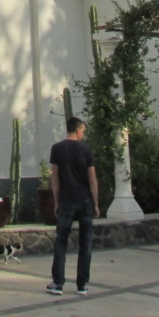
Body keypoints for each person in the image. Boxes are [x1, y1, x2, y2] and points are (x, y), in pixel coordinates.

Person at [46, 116, 99, 297]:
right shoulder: (86, 150)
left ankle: (58, 283)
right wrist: (96, 203)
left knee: (61, 241)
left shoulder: (57, 149)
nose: (83, 134)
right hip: (85, 201)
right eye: (83, 130)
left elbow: (55, 178)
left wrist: (56, 201)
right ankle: (82, 284)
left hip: (66, 201)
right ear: (78, 130)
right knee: (86, 242)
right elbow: (92, 178)